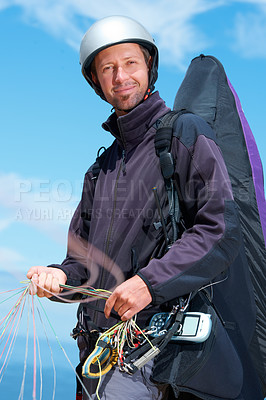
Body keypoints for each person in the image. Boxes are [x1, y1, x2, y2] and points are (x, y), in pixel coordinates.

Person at [27, 16, 263, 400]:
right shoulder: (98, 172)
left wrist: (148, 285)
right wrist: (56, 277)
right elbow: (84, 266)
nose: (121, 75)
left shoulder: (183, 135)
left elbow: (220, 229)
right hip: (95, 357)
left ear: (148, 67)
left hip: (146, 353)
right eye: (108, 68)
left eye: (130, 63)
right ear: (97, 82)